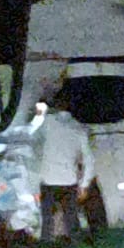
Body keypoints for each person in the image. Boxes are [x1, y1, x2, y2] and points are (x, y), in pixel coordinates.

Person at [37, 86, 96, 239]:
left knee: (47, 220)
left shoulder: (46, 122)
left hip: (47, 179)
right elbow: (89, 160)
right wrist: (84, 185)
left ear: (56, 105)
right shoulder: (79, 129)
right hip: (68, 181)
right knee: (71, 220)